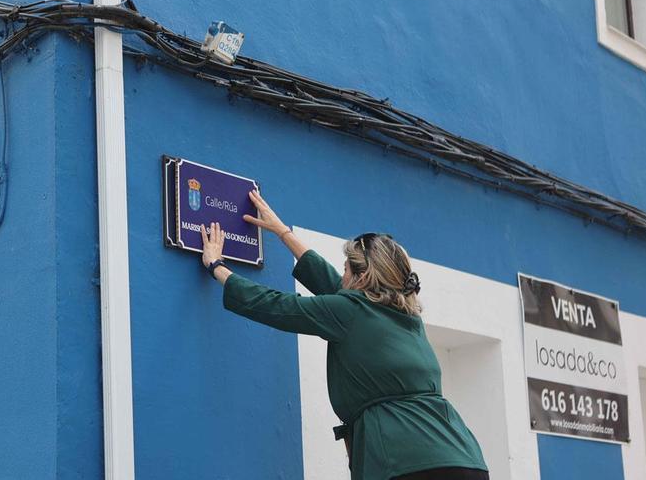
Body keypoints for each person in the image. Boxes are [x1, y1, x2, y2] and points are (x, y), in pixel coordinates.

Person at [199, 190, 489, 480]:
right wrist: (283, 232)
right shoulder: (407, 317)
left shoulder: (351, 311)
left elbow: (278, 306)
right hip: (465, 459)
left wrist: (218, 267)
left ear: (361, 278)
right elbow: (336, 288)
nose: (342, 276)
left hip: (404, 464)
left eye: (346, 269)